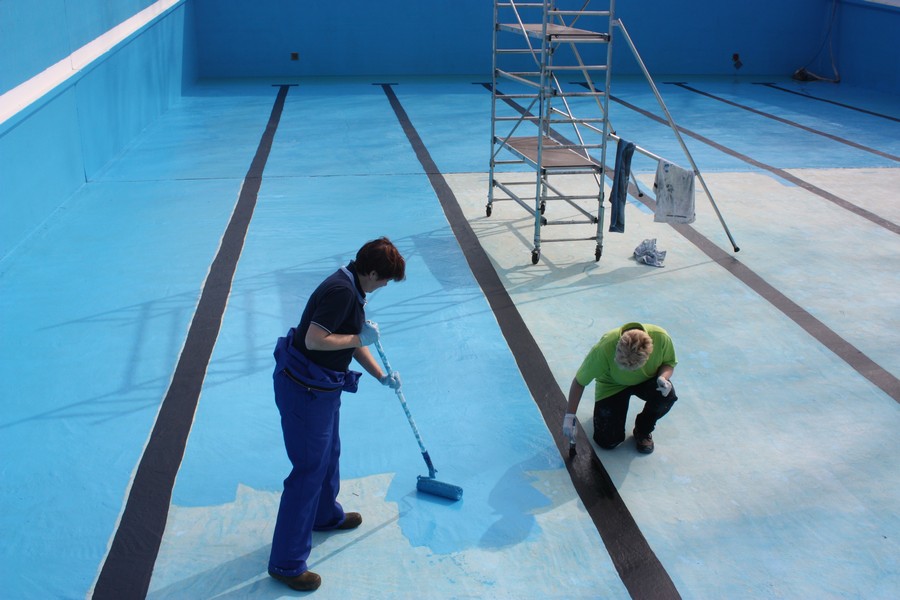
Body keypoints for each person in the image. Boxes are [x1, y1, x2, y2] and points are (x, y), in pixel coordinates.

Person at [267, 237, 406, 592]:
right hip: (305, 393)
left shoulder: (354, 287)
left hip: (323, 389)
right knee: (308, 471)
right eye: (385, 278)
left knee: (329, 455)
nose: (386, 285)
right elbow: (315, 340)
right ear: (371, 272)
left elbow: (351, 339)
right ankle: (286, 563)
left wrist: (381, 376)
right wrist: (359, 339)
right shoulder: (341, 291)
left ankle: (324, 515)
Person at [563, 322, 677, 454]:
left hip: (647, 380)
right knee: (607, 442)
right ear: (617, 348)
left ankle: (643, 430)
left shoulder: (661, 338)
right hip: (613, 385)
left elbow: (669, 363)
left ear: (649, 352)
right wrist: (569, 416)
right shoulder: (604, 347)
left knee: (666, 396)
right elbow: (580, 382)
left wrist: (663, 377)